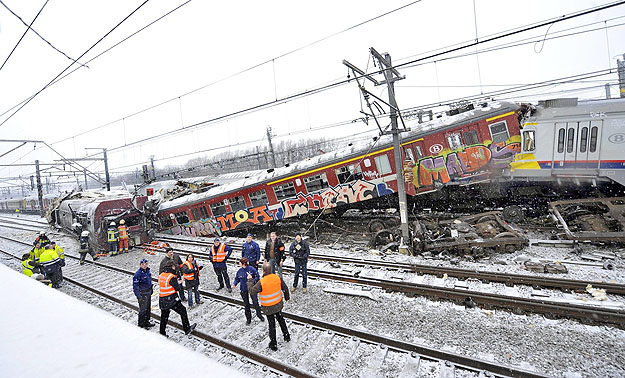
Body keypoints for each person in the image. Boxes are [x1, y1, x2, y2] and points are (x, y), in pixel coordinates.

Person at [248, 262, 290, 351]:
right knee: (281, 319)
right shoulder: (277, 277)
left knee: (272, 324)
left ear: (263, 271)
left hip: (268, 307)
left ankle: (273, 344)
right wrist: (286, 297)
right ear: (271, 269)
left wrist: (250, 280)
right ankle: (286, 336)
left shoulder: (261, 282)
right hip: (278, 305)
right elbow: (285, 288)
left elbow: (252, 291)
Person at [158, 260, 196, 337]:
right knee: (183, 311)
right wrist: (179, 282)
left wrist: (175, 282)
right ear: (172, 267)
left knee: (164, 316)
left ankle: (162, 332)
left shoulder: (161, 274)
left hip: (162, 299)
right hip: (171, 299)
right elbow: (177, 288)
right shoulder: (171, 277)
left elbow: (166, 285)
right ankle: (187, 329)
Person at [233, 257, 264, 325]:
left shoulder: (251, 269)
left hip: (252, 288)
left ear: (243, 264)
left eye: (240, 263)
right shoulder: (239, 271)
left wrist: (252, 279)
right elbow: (237, 278)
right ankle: (248, 319)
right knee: (246, 305)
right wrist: (234, 283)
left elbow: (257, 277)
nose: (239, 264)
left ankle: (259, 315)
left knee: (255, 303)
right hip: (243, 289)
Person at [133, 258, 155, 329]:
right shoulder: (138, 274)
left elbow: (149, 281)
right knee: (143, 310)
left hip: (148, 292)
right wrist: (138, 296)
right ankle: (141, 324)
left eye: (146, 264)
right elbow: (135, 287)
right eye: (143, 264)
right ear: (140, 265)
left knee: (148, 308)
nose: (144, 265)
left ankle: (146, 322)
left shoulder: (147, 271)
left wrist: (151, 289)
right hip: (143, 294)